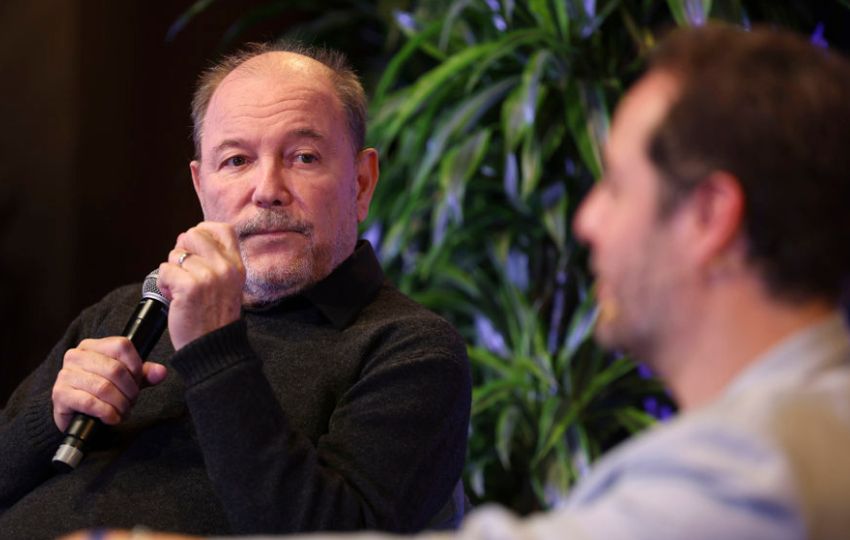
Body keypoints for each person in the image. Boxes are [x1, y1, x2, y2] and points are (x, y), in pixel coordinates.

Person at [64, 22, 850, 540]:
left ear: (709, 215)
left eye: (615, 185)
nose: (587, 224)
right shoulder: (805, 423)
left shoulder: (751, 471)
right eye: (236, 159)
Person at [0, 42, 472, 539]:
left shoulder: (409, 349)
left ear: (361, 182)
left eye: (304, 157)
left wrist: (213, 351)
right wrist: (46, 419)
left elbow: (330, 531)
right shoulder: (128, 311)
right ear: (202, 188)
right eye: (237, 160)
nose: (267, 189)